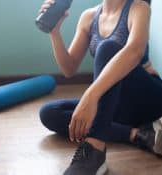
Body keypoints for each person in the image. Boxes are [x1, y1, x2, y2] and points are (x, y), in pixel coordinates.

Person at [38, 0, 162, 174]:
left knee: (108, 48)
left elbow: (135, 51)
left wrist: (91, 96)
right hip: (117, 105)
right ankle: (138, 135)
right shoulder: (89, 17)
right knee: (50, 113)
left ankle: (94, 150)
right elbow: (69, 68)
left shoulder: (138, 8)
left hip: (148, 98)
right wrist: (54, 32)